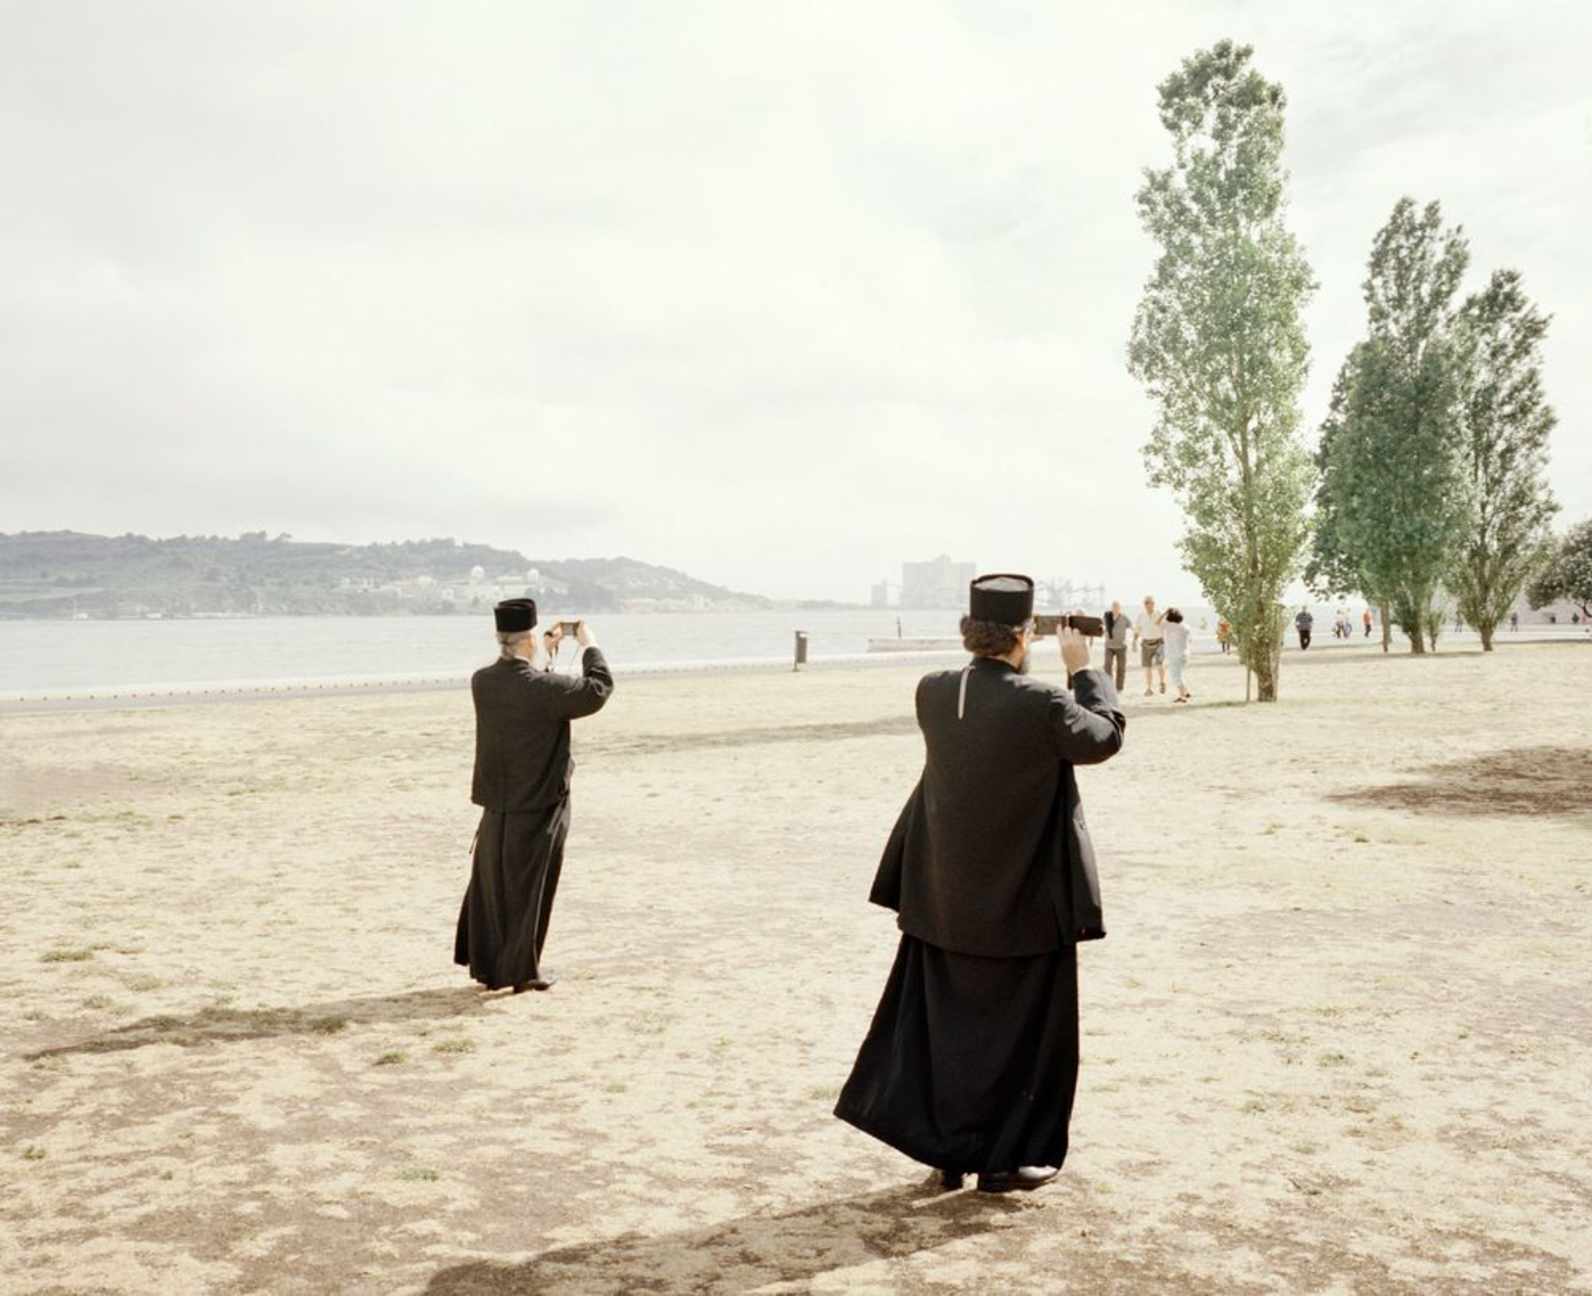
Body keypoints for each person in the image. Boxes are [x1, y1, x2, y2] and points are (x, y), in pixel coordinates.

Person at [835, 573, 1125, 1195]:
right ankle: (999, 1160)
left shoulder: (933, 691)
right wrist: (1085, 670)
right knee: (1021, 1036)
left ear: (970, 632)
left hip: (942, 895)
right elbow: (1104, 738)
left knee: (949, 1033)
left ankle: (949, 1154)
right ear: (1024, 635)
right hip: (1023, 901)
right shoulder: (1044, 702)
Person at [454, 598, 614, 994]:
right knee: (529, 888)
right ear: (528, 640)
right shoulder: (540, 688)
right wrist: (590, 645)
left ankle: (491, 967)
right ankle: (522, 972)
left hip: (499, 802)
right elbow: (597, 689)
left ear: (499, 638)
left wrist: (542, 657)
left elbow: (526, 696)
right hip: (539, 800)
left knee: (492, 888)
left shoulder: (482, 681)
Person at [1133, 595, 1166, 696]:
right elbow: (1137, 630)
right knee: (1147, 667)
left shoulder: (1159, 613)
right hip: (1145, 643)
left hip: (1159, 642)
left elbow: (1165, 627)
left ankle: (1162, 683)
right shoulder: (1141, 615)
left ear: (1153, 604)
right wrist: (1134, 641)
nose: (1147, 605)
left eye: (1149, 602)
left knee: (1159, 665)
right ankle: (1149, 688)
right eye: (1145, 603)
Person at [1163, 607, 1191, 703]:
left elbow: (1156, 623)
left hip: (1174, 655)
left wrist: (1165, 613)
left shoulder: (1169, 626)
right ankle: (1186, 692)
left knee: (1175, 676)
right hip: (1184, 654)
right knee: (1180, 674)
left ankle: (1182, 696)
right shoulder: (1185, 626)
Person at [1101, 600, 1130, 690]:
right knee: (1107, 666)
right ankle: (1109, 686)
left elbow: (1131, 627)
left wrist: (1134, 640)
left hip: (1121, 646)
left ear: (1119, 608)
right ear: (1111, 608)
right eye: (1113, 607)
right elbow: (1101, 626)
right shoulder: (1106, 616)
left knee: (1121, 668)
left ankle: (1119, 688)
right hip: (1109, 646)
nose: (1115, 608)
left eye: (1117, 607)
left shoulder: (1124, 617)